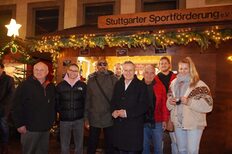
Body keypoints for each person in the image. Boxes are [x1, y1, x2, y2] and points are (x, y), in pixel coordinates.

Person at [167, 57, 213, 154]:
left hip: (194, 124)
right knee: (181, 150)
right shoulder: (173, 83)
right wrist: (170, 102)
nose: (183, 71)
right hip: (178, 123)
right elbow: (169, 104)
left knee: (192, 151)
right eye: (181, 68)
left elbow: (208, 105)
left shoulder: (199, 85)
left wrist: (189, 102)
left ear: (191, 69)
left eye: (185, 68)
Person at [12, 61, 56, 154]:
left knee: (43, 151)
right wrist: (19, 124)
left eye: (41, 70)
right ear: (33, 71)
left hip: (45, 128)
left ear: (47, 72)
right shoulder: (24, 85)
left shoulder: (51, 86)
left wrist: (51, 121)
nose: (39, 72)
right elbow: (16, 105)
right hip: (29, 129)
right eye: (36, 69)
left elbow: (53, 105)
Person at [111, 61, 148, 154]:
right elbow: (113, 101)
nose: (128, 73)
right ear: (122, 71)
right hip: (119, 127)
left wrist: (127, 113)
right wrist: (113, 111)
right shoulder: (118, 84)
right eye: (125, 70)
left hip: (134, 127)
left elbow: (144, 106)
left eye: (130, 70)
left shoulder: (141, 85)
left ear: (134, 71)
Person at [85, 59, 118, 154]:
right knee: (92, 144)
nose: (102, 66)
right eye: (100, 64)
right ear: (97, 66)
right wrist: (86, 118)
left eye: (104, 64)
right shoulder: (91, 81)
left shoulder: (114, 79)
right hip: (94, 117)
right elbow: (88, 100)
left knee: (110, 145)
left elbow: (118, 99)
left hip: (110, 117)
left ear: (107, 66)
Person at [56, 63, 87, 154]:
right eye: (71, 70)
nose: (73, 72)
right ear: (68, 71)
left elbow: (86, 102)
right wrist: (61, 112)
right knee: (64, 145)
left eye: (75, 71)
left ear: (78, 72)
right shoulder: (60, 86)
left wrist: (85, 117)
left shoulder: (83, 85)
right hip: (64, 120)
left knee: (79, 144)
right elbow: (56, 102)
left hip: (79, 120)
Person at [142, 64, 169, 154]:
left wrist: (165, 120)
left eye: (152, 73)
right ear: (143, 73)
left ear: (155, 74)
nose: (149, 75)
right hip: (142, 123)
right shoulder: (138, 86)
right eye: (147, 72)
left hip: (157, 122)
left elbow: (164, 105)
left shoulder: (160, 87)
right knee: (144, 148)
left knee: (158, 148)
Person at [156, 56, 177, 154]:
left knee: (175, 138)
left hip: (173, 110)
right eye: (161, 63)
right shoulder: (155, 78)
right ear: (159, 66)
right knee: (159, 139)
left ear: (169, 65)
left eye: (165, 63)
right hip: (159, 111)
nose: (163, 65)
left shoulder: (176, 77)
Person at [0, 63, 15, 154]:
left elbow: (11, 95)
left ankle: (5, 146)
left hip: (3, 109)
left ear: (2, 68)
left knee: (4, 127)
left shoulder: (9, 79)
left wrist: (3, 106)